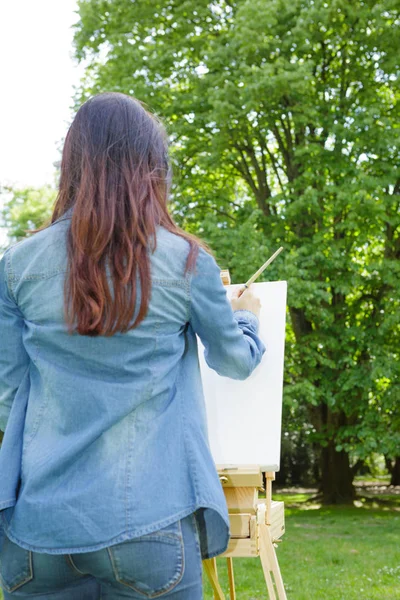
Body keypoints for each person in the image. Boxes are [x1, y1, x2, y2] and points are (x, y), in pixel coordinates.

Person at [0, 92, 266, 599]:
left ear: (73, 164)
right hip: (149, 524)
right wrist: (247, 321)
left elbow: (9, 398)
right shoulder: (186, 262)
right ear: (152, 169)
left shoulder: (17, 266)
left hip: (38, 531)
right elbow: (233, 359)